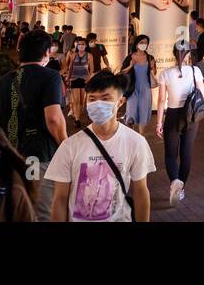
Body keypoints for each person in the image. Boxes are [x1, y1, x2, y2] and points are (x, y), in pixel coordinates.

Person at [46, 71, 154, 222]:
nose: (98, 104)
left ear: (121, 102)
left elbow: (141, 191)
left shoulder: (136, 142)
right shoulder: (70, 146)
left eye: (105, 98)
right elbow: (60, 198)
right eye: (92, 99)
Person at [0, 30, 68, 222]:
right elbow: (54, 119)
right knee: (40, 212)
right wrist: (67, 147)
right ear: (47, 52)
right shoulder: (51, 77)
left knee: (14, 211)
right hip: (38, 157)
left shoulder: (0, 83)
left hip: (10, 160)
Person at [156, 42, 204, 206]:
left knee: (171, 154)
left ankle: (174, 181)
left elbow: (162, 100)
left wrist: (158, 123)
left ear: (173, 54)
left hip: (172, 114)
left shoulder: (165, 73)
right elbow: (203, 92)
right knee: (186, 153)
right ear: (188, 55)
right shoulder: (195, 70)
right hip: (191, 116)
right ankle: (182, 188)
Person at [121, 36, 156, 133]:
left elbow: (154, 73)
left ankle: (141, 137)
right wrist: (130, 66)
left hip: (145, 89)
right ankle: (131, 134)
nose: (144, 44)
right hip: (132, 89)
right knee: (131, 113)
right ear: (136, 44)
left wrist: (152, 67)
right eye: (141, 42)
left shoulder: (150, 58)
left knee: (143, 114)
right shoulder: (130, 57)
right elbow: (122, 73)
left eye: (146, 43)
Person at [63, 36, 92, 123]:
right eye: (79, 44)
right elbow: (71, 68)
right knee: (76, 101)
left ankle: (78, 115)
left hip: (84, 80)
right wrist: (68, 78)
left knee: (82, 101)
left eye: (83, 44)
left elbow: (92, 69)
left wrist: (89, 78)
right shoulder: (72, 55)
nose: (81, 46)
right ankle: (77, 119)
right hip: (74, 79)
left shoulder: (89, 55)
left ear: (86, 45)